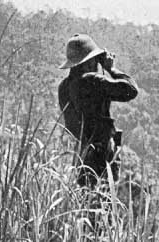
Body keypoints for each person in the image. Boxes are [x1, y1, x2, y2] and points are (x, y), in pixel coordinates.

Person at [58, 33, 138, 187]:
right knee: (104, 202)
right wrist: (112, 69)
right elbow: (131, 90)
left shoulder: (64, 87)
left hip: (82, 154)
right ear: (89, 61)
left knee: (85, 200)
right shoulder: (93, 81)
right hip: (103, 155)